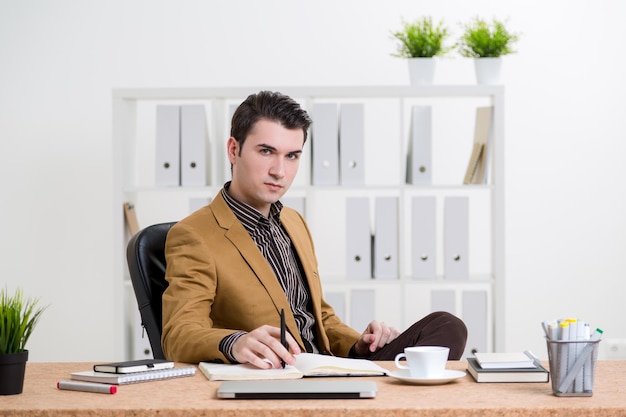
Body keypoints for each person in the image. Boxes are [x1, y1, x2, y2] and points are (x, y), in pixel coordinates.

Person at [161, 90, 467, 368]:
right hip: (278, 375)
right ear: (233, 149)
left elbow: (319, 316)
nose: (279, 171)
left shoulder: (293, 222)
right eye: (266, 151)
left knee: (447, 326)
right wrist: (236, 342)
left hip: (327, 368)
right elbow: (178, 334)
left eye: (291, 156)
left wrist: (359, 345)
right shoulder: (194, 235)